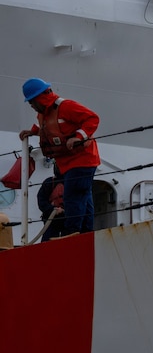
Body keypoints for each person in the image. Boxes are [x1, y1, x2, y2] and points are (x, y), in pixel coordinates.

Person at [18, 78, 100, 237]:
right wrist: (32, 131)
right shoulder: (44, 113)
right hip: (67, 163)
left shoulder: (66, 106)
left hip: (82, 160)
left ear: (40, 98)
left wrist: (78, 136)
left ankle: (72, 233)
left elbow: (92, 118)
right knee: (83, 195)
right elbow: (47, 127)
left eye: (32, 102)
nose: (31, 106)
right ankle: (85, 233)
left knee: (73, 195)